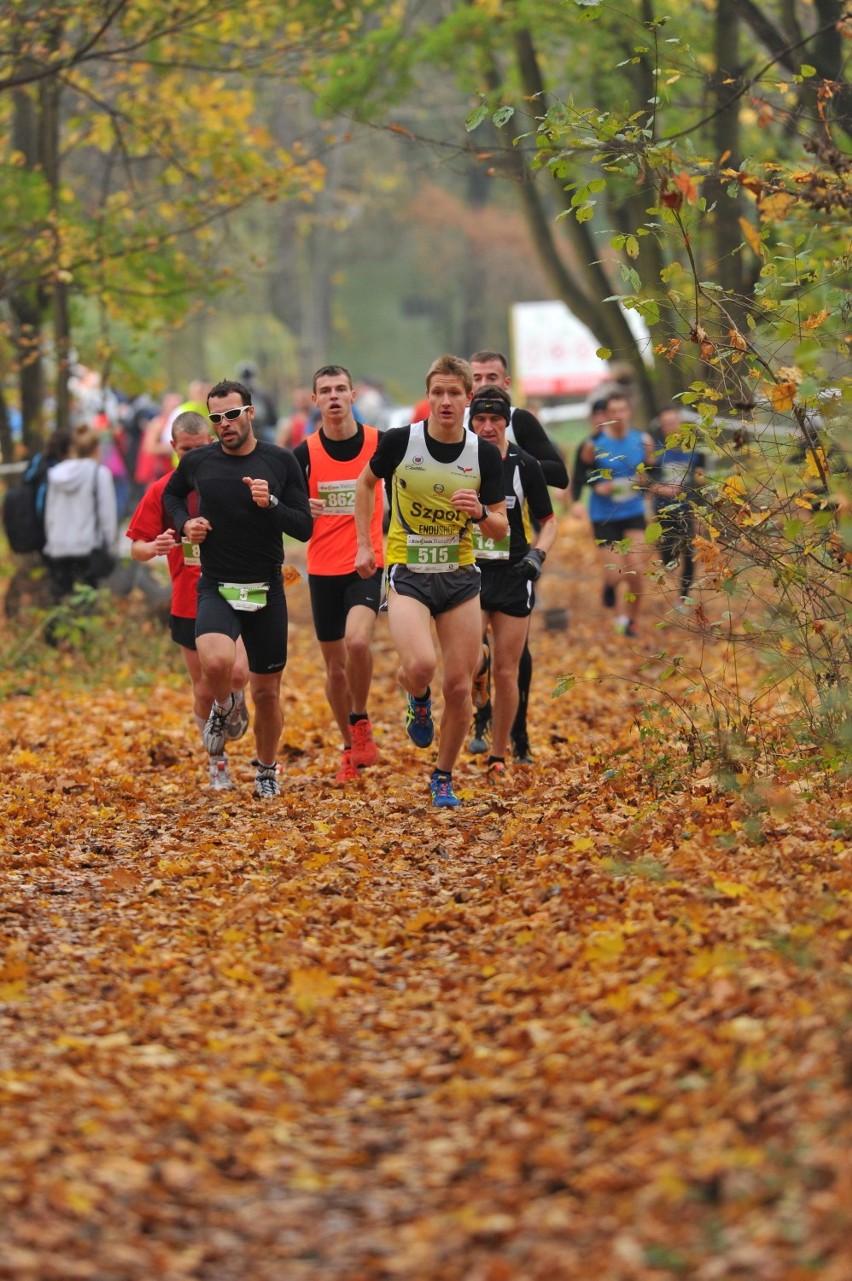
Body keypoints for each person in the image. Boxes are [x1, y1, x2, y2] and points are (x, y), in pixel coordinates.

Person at [354, 354, 507, 808]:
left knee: (458, 686)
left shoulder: (483, 454)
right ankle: (416, 697)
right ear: (427, 397)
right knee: (420, 665)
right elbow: (364, 486)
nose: (445, 401)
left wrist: (479, 512)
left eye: (454, 393)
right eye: (437, 392)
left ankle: (443, 776)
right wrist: (366, 545)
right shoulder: (401, 442)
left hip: (460, 576)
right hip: (409, 570)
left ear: (467, 398)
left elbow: (501, 527)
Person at [163, 378, 313, 798]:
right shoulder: (199, 462)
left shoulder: (279, 461)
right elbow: (172, 497)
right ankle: (225, 706)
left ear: (249, 413)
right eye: (216, 418)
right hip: (217, 585)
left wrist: (273, 504)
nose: (224, 424)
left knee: (266, 694)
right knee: (216, 663)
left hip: (266, 588)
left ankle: (266, 770)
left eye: (231, 414)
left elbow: (303, 527)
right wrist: (184, 525)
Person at [126, 411, 250, 791]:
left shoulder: (232, 482)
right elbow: (136, 548)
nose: (194, 458)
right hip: (189, 600)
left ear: (213, 442)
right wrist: (154, 547)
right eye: (186, 451)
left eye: (201, 449)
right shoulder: (163, 490)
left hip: (235, 592)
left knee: (238, 673)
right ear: (173, 450)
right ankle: (218, 764)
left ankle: (231, 704)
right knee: (201, 688)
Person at [467, 350, 569, 762]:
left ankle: (509, 745)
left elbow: (551, 510)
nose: (488, 425)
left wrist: (537, 557)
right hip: (469, 570)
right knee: (472, 658)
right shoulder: (450, 440)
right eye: (475, 377)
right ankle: (478, 717)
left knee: (511, 667)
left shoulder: (523, 447)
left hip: (513, 569)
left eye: (497, 419)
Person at [293, 365, 385, 783]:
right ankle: (349, 747)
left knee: (359, 641)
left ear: (353, 395)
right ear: (315, 400)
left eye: (340, 389)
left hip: (366, 561)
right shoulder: (303, 453)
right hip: (322, 567)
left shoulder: (378, 444)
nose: (333, 396)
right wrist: (299, 511)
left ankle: (361, 719)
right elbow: (285, 511)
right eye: (325, 390)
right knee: (334, 668)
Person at [578, 391, 655, 638]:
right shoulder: (594, 444)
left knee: (636, 570)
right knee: (616, 572)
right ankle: (613, 597)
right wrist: (597, 485)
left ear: (629, 411)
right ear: (607, 416)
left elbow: (653, 472)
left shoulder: (643, 440)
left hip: (632, 511)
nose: (619, 415)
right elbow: (584, 473)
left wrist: (644, 480)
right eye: (613, 412)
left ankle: (630, 620)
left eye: (623, 410)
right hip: (604, 514)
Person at [43, 424, 118, 601]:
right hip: (88, 546)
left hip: (58, 545)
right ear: (96, 448)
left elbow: (50, 513)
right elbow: (107, 514)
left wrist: (51, 540)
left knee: (61, 599)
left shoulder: (55, 474)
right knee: (85, 600)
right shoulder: (99, 473)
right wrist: (109, 543)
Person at [648, 404, 706, 605]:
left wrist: (700, 480)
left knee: (690, 553)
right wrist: (660, 488)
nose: (669, 427)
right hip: (663, 509)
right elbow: (642, 479)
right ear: (661, 426)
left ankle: (683, 597)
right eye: (665, 423)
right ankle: (668, 564)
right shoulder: (654, 451)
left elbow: (702, 477)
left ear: (680, 423)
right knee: (668, 554)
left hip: (687, 509)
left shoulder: (693, 449)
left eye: (672, 422)